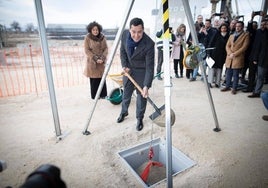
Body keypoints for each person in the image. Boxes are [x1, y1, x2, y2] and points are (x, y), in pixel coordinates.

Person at [116, 17, 155, 131]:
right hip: (128, 71)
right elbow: (122, 51)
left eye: (139, 32)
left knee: (141, 96)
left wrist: (146, 85)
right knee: (126, 94)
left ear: (143, 30)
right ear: (130, 29)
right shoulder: (124, 35)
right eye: (133, 32)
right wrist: (124, 66)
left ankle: (139, 118)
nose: (136, 35)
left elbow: (149, 67)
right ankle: (124, 112)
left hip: (142, 71)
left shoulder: (149, 44)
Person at [221, 21, 250, 94]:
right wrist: (230, 53)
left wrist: (234, 54)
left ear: (242, 27)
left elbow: (244, 47)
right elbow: (227, 46)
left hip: (238, 57)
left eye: (239, 26)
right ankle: (227, 86)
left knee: (235, 74)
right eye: (236, 26)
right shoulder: (231, 35)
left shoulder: (245, 35)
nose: (237, 27)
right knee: (228, 73)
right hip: (229, 57)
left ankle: (234, 88)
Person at [83, 21, 108, 99]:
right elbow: (87, 50)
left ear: (99, 30)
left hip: (101, 62)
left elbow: (106, 48)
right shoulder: (87, 38)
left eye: (96, 30)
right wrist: (96, 59)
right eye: (93, 30)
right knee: (94, 79)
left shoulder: (103, 37)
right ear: (90, 30)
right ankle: (95, 96)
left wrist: (102, 58)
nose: (95, 31)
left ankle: (103, 95)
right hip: (92, 62)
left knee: (102, 78)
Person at [248, 18, 268, 98]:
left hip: (264, 59)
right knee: (259, 76)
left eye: (265, 24)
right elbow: (258, 47)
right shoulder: (260, 33)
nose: (263, 26)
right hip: (262, 59)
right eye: (262, 25)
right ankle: (257, 92)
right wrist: (255, 58)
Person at [208, 23, 230, 88]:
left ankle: (217, 83)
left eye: (225, 28)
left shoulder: (228, 36)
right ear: (220, 29)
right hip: (214, 54)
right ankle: (210, 82)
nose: (223, 29)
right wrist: (209, 53)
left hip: (222, 55)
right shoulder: (216, 34)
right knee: (212, 69)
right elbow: (211, 43)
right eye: (222, 28)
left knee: (219, 69)